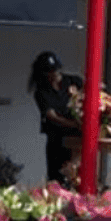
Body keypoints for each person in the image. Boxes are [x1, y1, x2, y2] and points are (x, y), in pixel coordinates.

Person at [29, 51, 83, 184]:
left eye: (56, 71)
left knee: (76, 174)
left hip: (77, 137)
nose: (54, 75)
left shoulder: (73, 82)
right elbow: (51, 115)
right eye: (49, 72)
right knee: (56, 177)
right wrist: (74, 124)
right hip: (57, 138)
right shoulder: (41, 92)